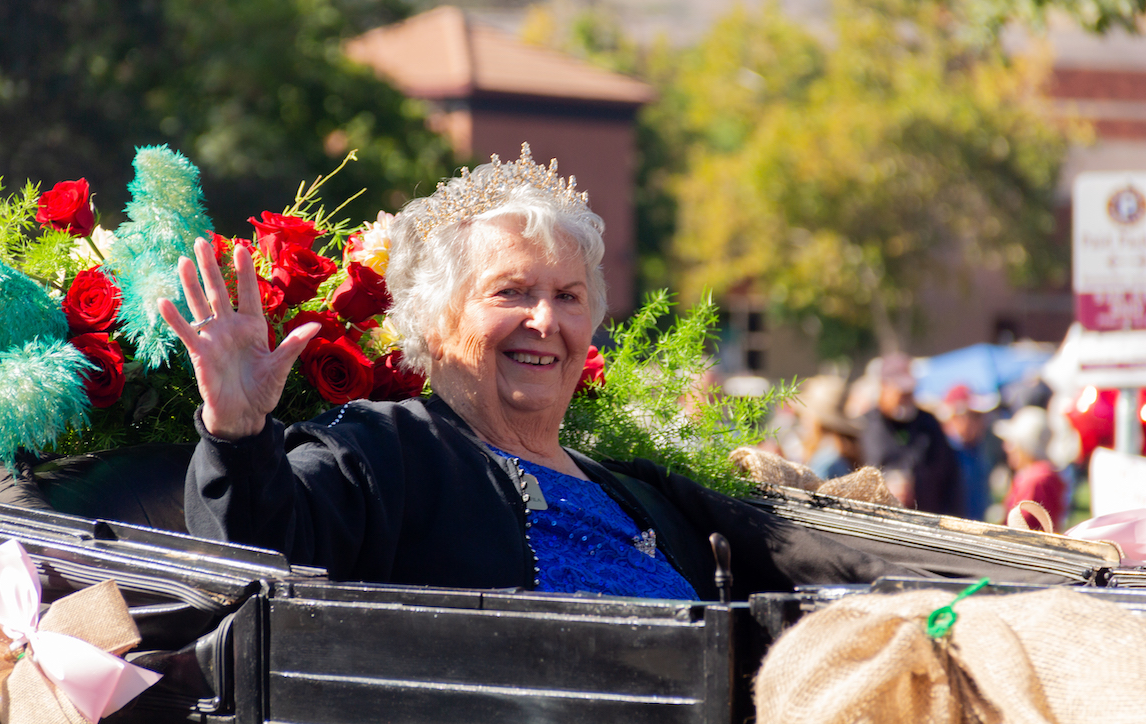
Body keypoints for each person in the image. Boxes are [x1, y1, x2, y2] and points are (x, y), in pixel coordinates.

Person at [160, 145, 913, 601]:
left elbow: (803, 560)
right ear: (433, 316)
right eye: (512, 292)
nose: (545, 321)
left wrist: (991, 571)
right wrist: (237, 429)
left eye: (568, 297)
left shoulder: (637, 489)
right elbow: (257, 557)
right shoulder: (381, 452)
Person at [860, 353, 965, 516]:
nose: (906, 398)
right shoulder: (866, 426)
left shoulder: (928, 425)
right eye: (901, 392)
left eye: (910, 392)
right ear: (884, 387)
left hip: (927, 523)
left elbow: (950, 476)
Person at [995, 405, 1068, 531]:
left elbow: (1024, 531)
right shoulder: (1040, 475)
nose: (1007, 448)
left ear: (1025, 445)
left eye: (1012, 442)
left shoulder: (1036, 480)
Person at [938, 384, 998, 521]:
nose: (983, 422)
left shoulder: (976, 448)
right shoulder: (942, 454)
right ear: (955, 417)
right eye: (975, 416)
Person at [796, 375, 862, 480]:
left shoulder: (828, 461)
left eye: (804, 415)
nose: (802, 420)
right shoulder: (841, 452)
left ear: (816, 421)